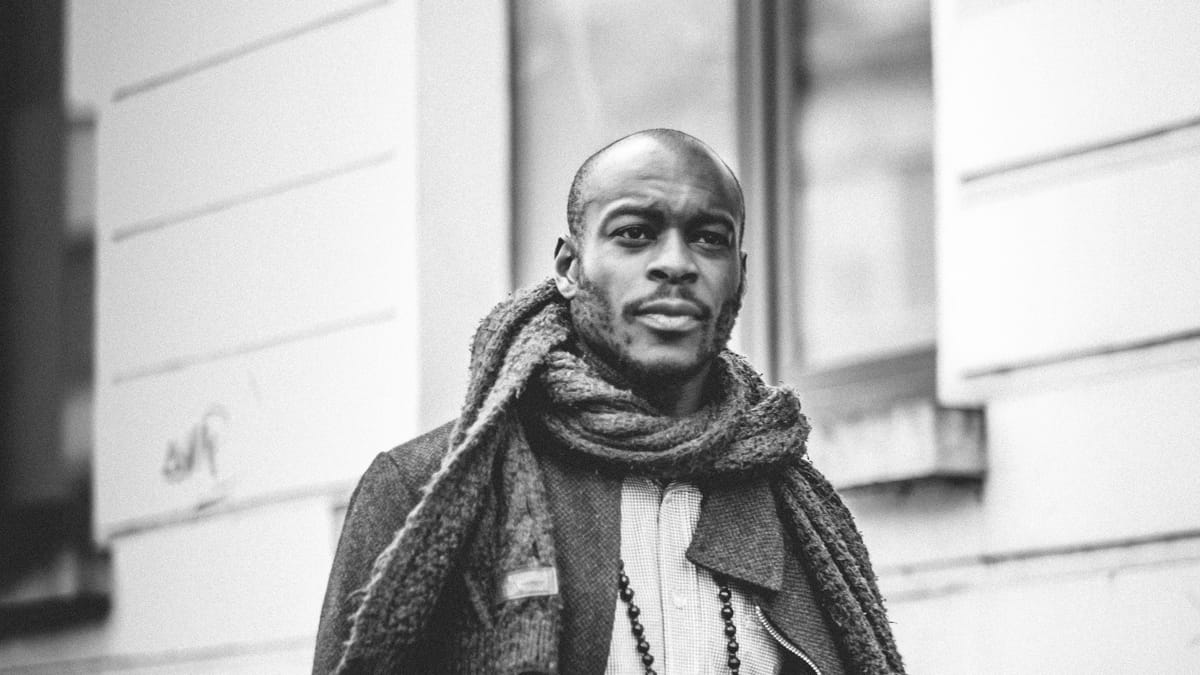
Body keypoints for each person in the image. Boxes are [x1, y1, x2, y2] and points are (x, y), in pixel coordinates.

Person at [313, 129, 904, 674]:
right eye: (635, 233)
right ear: (569, 267)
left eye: (709, 238)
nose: (676, 264)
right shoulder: (424, 490)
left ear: (740, 276)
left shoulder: (797, 510)